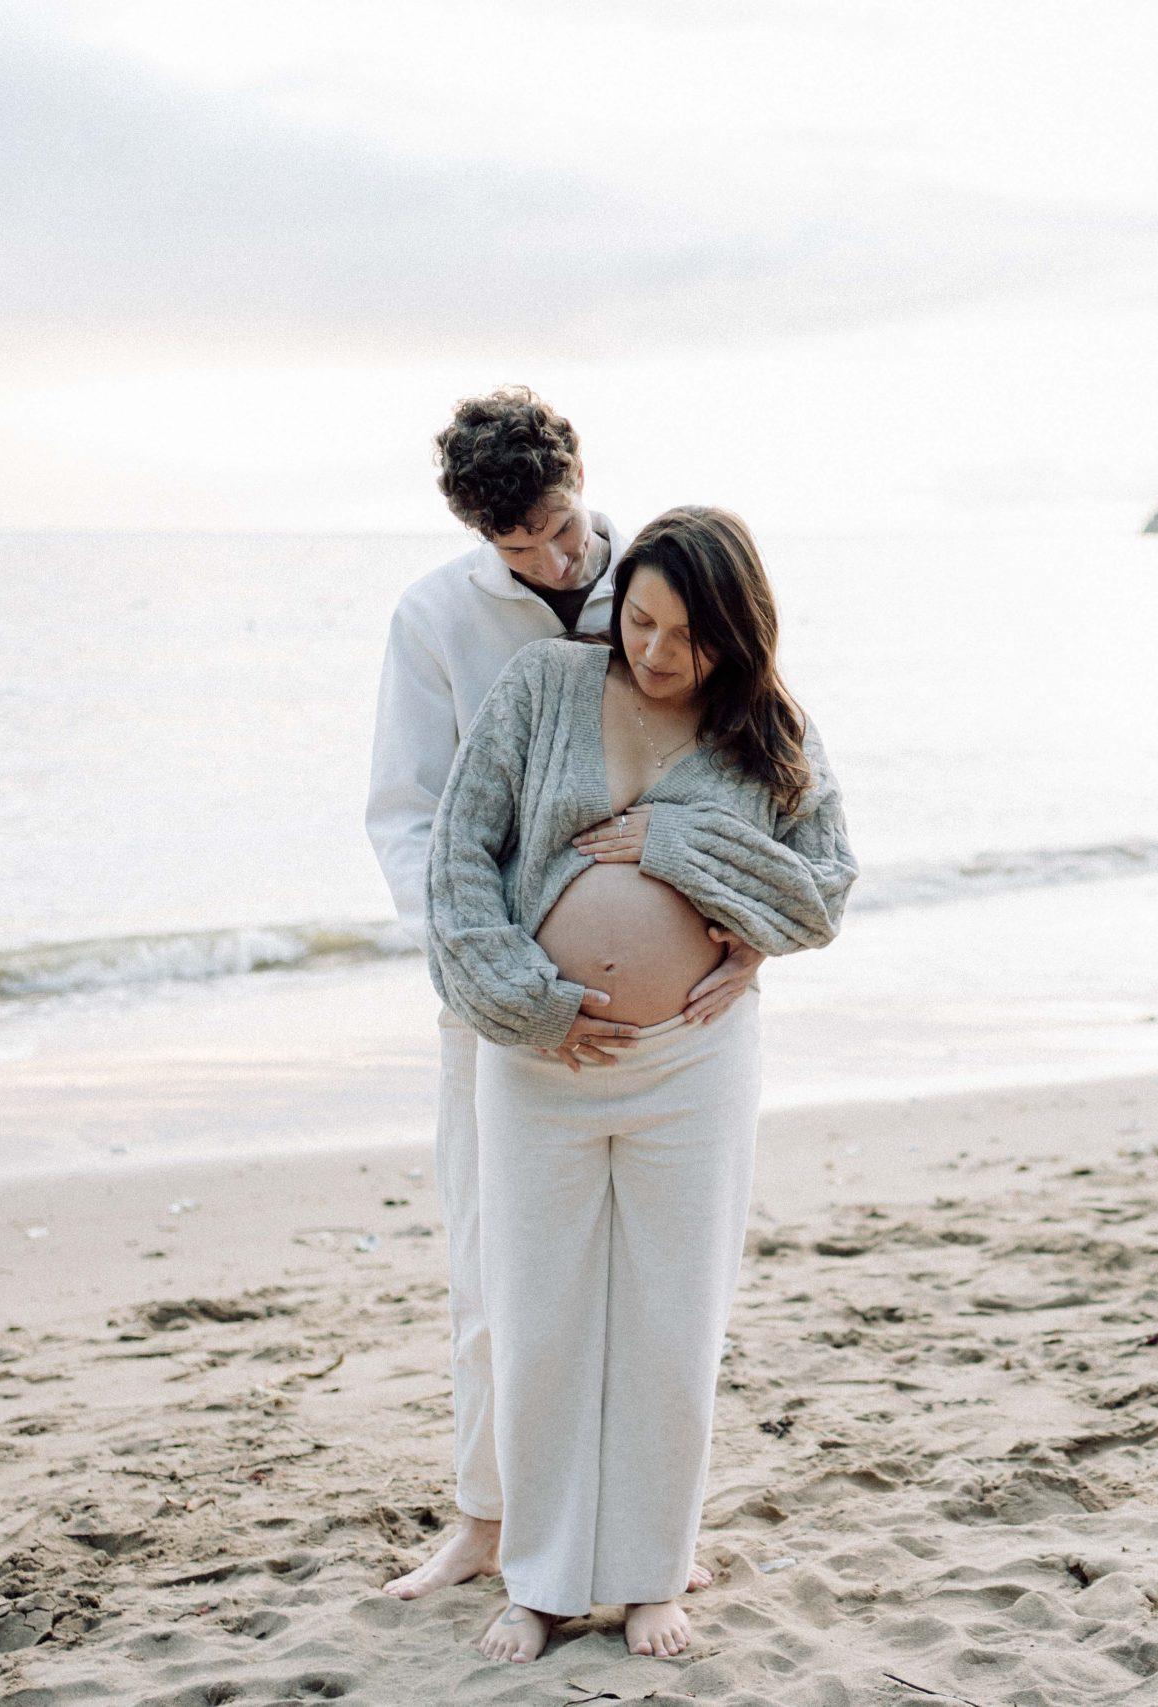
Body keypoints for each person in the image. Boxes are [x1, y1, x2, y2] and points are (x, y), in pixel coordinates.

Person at [424, 505, 856, 1661]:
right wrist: (528, 1000)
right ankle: (541, 1582)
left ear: (738, 635)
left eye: (689, 636)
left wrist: (681, 851)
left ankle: (653, 1575)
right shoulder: (542, 687)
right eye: (641, 621)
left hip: (690, 1065)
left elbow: (823, 890)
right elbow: (459, 857)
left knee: (672, 1323)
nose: (657, 652)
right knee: (540, 1323)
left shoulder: (770, 734)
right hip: (541, 1064)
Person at [368, 389, 759, 1602]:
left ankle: (645, 1537)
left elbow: (760, 769)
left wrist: (753, 933)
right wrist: (498, 977)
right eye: (515, 546)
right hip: (499, 1008)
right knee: (499, 1274)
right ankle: (488, 1521)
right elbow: (413, 819)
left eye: (555, 527)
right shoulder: (434, 618)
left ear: (579, 476)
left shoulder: (663, 584)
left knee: (662, 1285)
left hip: (682, 1029)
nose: (546, 559)